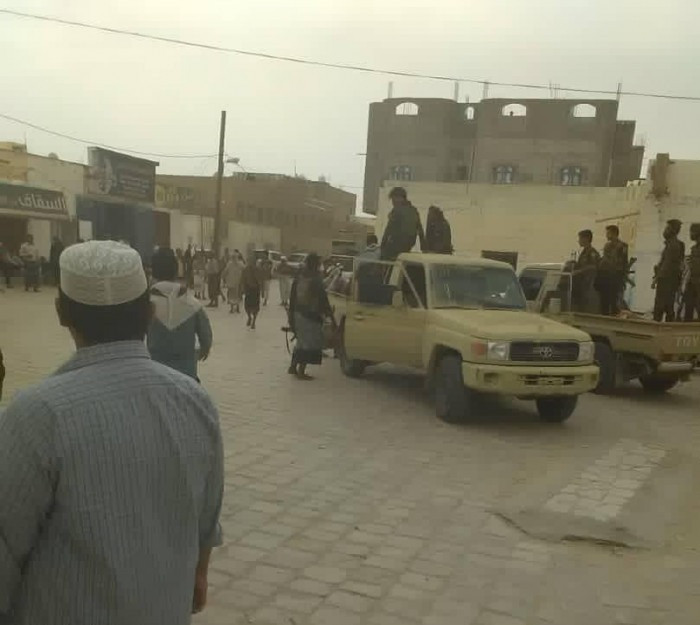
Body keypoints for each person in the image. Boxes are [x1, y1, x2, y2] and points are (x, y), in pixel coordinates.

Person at [0, 240, 223, 624]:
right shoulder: (196, 403)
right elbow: (206, 522)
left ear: (61, 313)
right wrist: (198, 575)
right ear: (148, 313)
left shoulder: (37, 415)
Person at [148, 247, 213, 379]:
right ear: (176, 271)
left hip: (155, 375)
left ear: (152, 273)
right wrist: (201, 351)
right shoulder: (192, 304)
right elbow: (206, 339)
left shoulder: (144, 305)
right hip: (186, 375)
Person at [288, 253, 336, 380]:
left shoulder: (299, 276)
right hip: (310, 316)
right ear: (316, 264)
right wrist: (329, 314)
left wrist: (290, 315)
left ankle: (293, 366)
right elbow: (323, 299)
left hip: (297, 313)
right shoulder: (316, 279)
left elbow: (292, 297)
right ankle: (301, 371)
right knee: (308, 344)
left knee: (301, 342)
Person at [380, 187, 426, 261]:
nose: (393, 203)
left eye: (393, 199)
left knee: (385, 260)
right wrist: (424, 248)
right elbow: (420, 230)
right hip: (409, 245)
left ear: (400, 198)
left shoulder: (397, 211)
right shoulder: (414, 210)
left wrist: (382, 246)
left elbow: (388, 230)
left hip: (396, 245)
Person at [653, 219, 685, 322]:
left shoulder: (673, 245)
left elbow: (667, 264)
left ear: (673, 230)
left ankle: (658, 328)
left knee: (660, 307)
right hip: (670, 280)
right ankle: (668, 327)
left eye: (667, 228)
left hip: (666, 280)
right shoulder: (673, 244)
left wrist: (656, 279)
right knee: (668, 306)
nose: (665, 231)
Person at [596, 225, 628, 316]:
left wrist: (623, 278)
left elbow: (623, 263)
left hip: (616, 276)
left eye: (608, 233)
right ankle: (604, 316)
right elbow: (604, 259)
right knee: (604, 300)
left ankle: (614, 317)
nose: (606, 235)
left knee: (614, 300)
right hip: (606, 276)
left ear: (614, 233)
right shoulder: (607, 245)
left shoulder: (622, 246)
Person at [572, 229, 601, 313]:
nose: (579, 241)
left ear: (586, 239)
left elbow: (594, 266)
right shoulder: (584, 252)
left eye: (580, 238)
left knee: (587, 307)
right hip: (582, 284)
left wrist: (580, 271)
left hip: (589, 285)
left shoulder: (592, 252)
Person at [683, 223, 700, 322]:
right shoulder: (694, 248)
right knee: (688, 307)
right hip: (692, 281)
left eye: (692, 231)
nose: (690, 234)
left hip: (698, 282)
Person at [241, 255, 262, 329]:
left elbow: (260, 281)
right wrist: (242, 289)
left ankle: (254, 322)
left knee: (256, 307)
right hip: (248, 289)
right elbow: (243, 280)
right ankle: (249, 317)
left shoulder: (258, 270)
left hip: (255, 289)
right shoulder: (245, 270)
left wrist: (262, 290)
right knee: (247, 306)